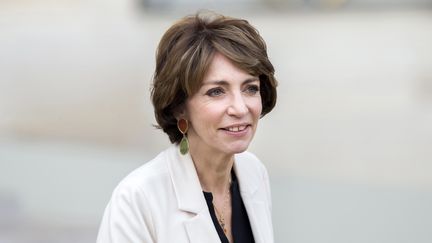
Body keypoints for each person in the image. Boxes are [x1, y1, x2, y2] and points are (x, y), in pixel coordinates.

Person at [96, 11, 277, 243]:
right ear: (180, 106)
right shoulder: (137, 199)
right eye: (216, 91)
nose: (240, 108)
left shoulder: (254, 173)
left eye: (250, 88)